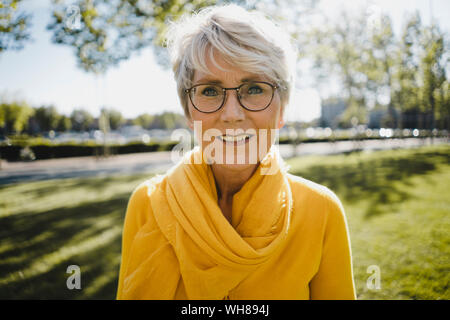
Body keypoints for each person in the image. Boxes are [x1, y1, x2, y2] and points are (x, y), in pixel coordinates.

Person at [116, 4, 356, 300]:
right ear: (189, 113)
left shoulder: (321, 211)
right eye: (210, 90)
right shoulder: (147, 203)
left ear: (281, 109)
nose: (231, 114)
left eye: (254, 88)